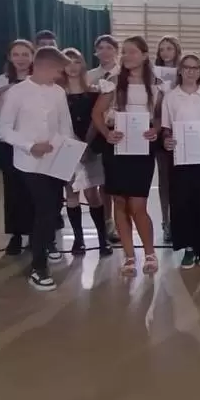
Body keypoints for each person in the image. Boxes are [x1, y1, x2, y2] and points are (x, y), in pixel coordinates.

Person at [0, 46, 73, 291]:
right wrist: (30, 145)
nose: (60, 75)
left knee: (52, 209)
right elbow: (3, 129)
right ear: (43, 67)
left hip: (56, 162)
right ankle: (38, 268)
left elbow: (65, 127)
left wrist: (71, 158)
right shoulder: (17, 93)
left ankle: (47, 244)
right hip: (29, 164)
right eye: (58, 70)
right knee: (44, 210)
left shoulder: (58, 92)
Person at [91, 36, 162, 277]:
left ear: (144, 55)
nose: (127, 56)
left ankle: (150, 253)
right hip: (117, 148)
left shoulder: (156, 84)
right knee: (120, 202)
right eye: (125, 52)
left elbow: (160, 116)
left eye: (133, 52)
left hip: (142, 148)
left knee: (138, 204)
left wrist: (156, 130)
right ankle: (129, 256)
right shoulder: (113, 82)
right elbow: (97, 113)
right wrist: (107, 134)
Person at [162, 52, 200, 269]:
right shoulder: (171, 97)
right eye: (187, 67)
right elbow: (166, 127)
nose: (191, 72)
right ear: (180, 70)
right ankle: (188, 248)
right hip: (180, 156)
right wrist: (167, 140)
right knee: (182, 202)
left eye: (195, 68)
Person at [0, 39, 36, 255]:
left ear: (33, 57)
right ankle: (16, 234)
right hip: (7, 142)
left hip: (33, 142)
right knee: (12, 188)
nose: (21, 59)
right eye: (16, 54)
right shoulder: (1, 80)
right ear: (9, 57)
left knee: (33, 187)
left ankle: (35, 233)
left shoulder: (38, 80)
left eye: (25, 54)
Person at [60, 48, 113, 258]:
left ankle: (102, 240)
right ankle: (78, 240)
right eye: (68, 62)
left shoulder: (94, 91)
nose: (72, 66)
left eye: (76, 61)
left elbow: (96, 119)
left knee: (92, 194)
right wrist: (72, 145)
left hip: (90, 149)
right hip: (65, 149)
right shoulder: (57, 93)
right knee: (71, 194)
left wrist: (85, 145)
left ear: (82, 65)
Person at [86, 34, 121, 244]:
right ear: (95, 52)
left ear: (116, 51)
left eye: (109, 47)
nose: (105, 51)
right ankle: (107, 222)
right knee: (101, 180)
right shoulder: (89, 76)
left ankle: (119, 222)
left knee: (116, 181)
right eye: (101, 48)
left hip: (119, 130)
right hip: (97, 130)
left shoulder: (123, 74)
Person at [153, 36, 182, 244]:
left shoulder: (185, 73)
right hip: (161, 131)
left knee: (181, 179)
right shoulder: (153, 76)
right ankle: (166, 222)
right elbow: (152, 107)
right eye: (162, 49)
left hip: (183, 132)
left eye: (169, 48)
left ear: (176, 51)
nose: (165, 53)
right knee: (164, 180)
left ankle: (181, 219)